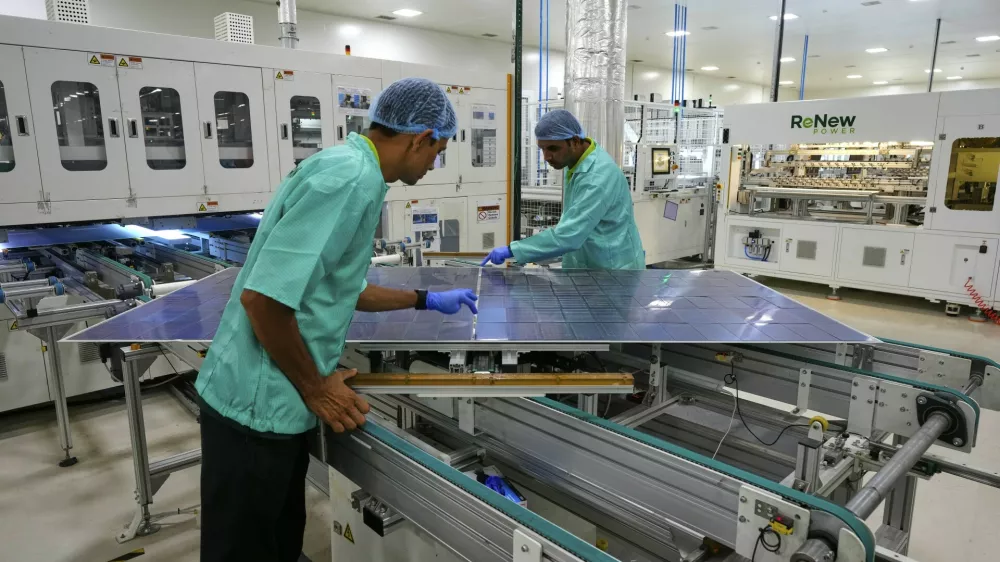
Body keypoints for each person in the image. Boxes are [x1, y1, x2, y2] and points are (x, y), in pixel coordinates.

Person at [195, 77, 478, 562]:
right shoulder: (351, 181)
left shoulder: (345, 164)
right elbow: (264, 301)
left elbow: (334, 288)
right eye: (438, 151)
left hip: (267, 401)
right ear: (419, 137)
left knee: (278, 542)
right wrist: (316, 385)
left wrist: (424, 299)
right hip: (256, 409)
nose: (435, 164)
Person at [482, 109, 645, 269]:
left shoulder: (598, 178)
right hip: (588, 264)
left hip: (614, 270)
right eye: (542, 149)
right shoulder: (575, 162)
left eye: (553, 148)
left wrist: (514, 250)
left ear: (574, 141)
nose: (546, 157)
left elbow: (569, 236)